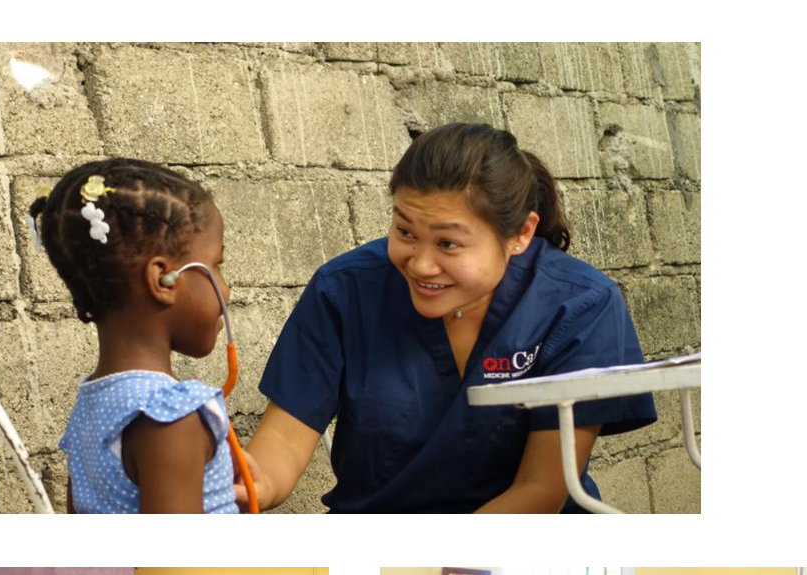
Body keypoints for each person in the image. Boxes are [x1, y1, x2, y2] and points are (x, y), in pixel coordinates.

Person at [242, 122, 659, 514]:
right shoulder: (345, 290)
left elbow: (542, 489)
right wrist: (253, 484)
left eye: (448, 243)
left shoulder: (580, 305)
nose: (421, 265)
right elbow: (284, 437)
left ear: (521, 234)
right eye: (405, 232)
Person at [29, 158, 239, 514]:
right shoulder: (170, 416)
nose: (226, 290)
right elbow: (177, 569)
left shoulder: (92, 408)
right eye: (217, 265)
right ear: (163, 281)